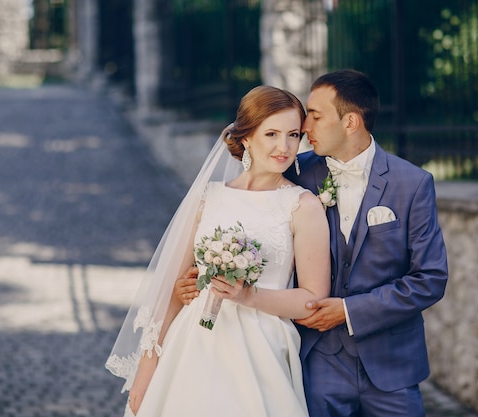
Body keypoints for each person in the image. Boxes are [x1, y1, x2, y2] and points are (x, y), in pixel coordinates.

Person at [175, 69, 448, 417]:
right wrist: (198, 279)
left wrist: (349, 311)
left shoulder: (412, 183)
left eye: (314, 116)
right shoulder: (293, 170)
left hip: (391, 365)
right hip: (317, 362)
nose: (303, 129)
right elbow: (247, 215)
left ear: (350, 122)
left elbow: (430, 279)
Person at [106, 85, 331, 417]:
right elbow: (171, 287)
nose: (284, 147)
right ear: (246, 137)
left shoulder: (303, 205)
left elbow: (312, 297)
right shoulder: (208, 197)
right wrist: (146, 368)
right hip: (193, 341)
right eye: (271, 133)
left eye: (293, 135)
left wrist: (249, 296)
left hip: (260, 347)